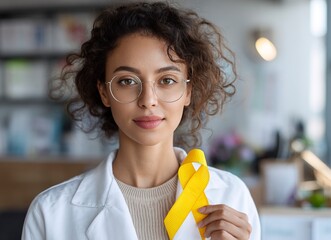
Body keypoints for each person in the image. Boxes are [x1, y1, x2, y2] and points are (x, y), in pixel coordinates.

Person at [22, 2, 260, 240]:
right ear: (104, 92)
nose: (148, 100)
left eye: (167, 80)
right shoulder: (50, 213)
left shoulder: (232, 197)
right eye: (127, 81)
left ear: (188, 91)